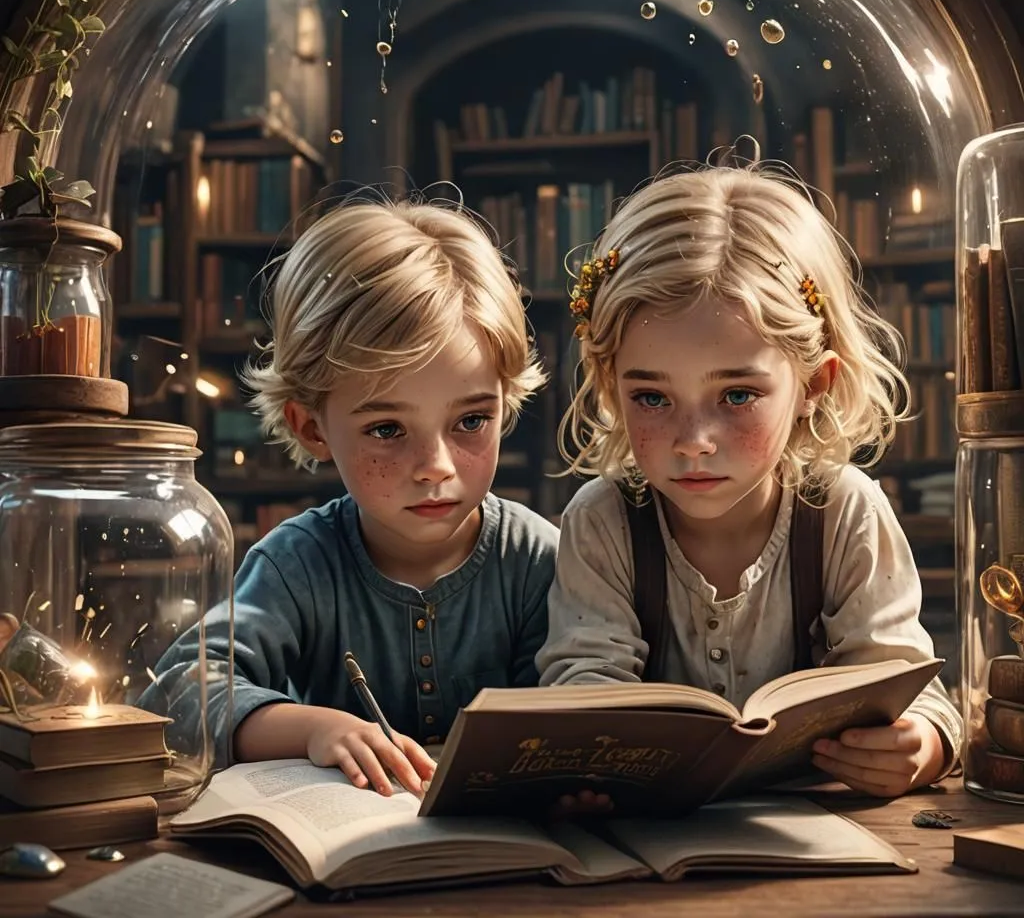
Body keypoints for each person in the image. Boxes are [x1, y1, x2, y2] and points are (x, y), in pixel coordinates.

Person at [536, 161, 963, 801]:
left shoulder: (846, 510)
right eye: (651, 397)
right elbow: (581, 678)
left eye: (736, 394)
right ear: (609, 385)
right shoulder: (603, 519)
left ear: (812, 386)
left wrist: (920, 746)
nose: (693, 440)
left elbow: (909, 683)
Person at [150, 196, 557, 798]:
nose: (435, 468)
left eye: (471, 421)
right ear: (312, 427)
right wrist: (314, 728)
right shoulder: (297, 564)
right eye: (387, 430)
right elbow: (179, 691)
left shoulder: (538, 560)